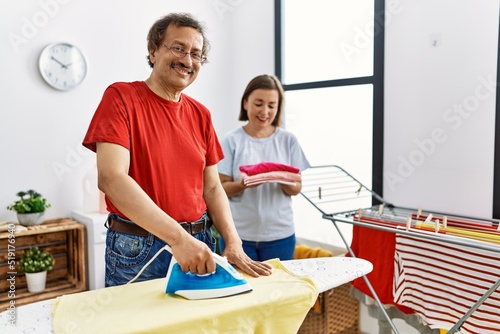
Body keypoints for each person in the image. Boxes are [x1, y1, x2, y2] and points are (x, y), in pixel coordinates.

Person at [82, 13, 272, 287]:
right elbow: (111, 178)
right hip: (138, 248)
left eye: (196, 54)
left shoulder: (201, 114)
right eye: (178, 48)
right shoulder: (121, 97)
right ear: (153, 51)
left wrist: (233, 241)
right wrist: (178, 239)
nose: (187, 60)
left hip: (200, 242)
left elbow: (213, 188)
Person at [217, 74, 311, 261]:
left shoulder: (288, 140)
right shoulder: (231, 140)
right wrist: (243, 184)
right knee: (243, 289)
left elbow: (297, 188)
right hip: (238, 236)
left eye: (271, 106)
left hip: (280, 235)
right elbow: (221, 189)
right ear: (246, 103)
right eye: (258, 104)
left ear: (278, 107)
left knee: (279, 288)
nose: (265, 111)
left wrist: (280, 178)